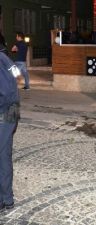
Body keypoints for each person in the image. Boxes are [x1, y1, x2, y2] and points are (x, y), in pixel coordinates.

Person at [0, 44, 21, 212]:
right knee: (4, 154)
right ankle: (7, 199)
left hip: (3, 112)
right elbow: (17, 77)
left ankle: (4, 199)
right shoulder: (7, 60)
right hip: (13, 111)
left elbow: (4, 92)